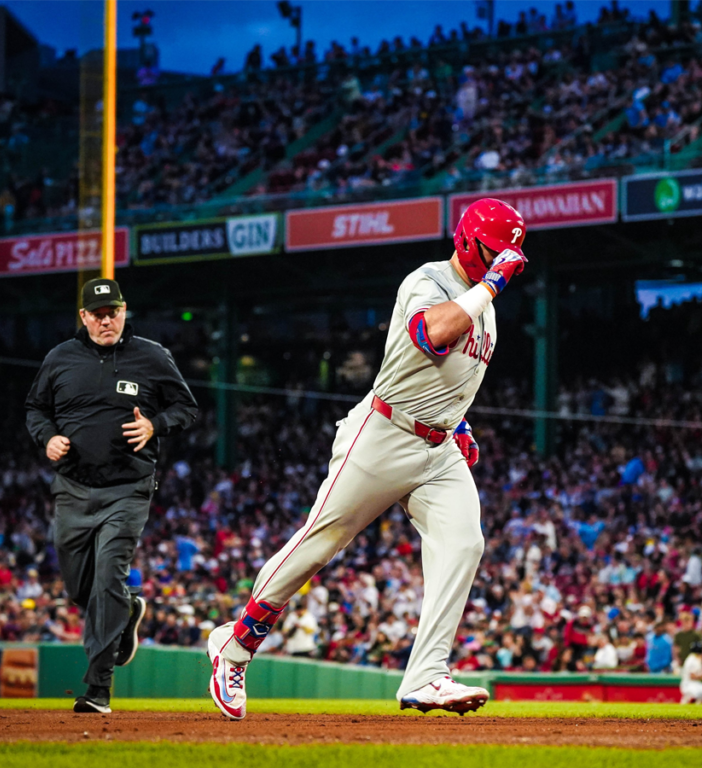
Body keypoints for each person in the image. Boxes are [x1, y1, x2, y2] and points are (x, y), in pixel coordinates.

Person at [206, 199, 529, 720]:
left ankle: (426, 675)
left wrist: (459, 423)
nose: (502, 262)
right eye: (494, 252)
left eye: (508, 256)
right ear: (467, 241)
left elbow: (446, 376)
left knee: (464, 543)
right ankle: (235, 645)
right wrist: (490, 285)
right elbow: (431, 336)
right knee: (321, 542)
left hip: (438, 448)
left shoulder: (484, 306)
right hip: (385, 433)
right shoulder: (428, 280)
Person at [25, 278, 198, 713]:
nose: (106, 321)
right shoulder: (60, 358)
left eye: (113, 312)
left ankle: (98, 688)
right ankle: (127, 609)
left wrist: (154, 425)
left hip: (128, 489)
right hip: (72, 487)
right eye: (98, 314)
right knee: (78, 588)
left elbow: (187, 408)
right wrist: (47, 437)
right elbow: (35, 409)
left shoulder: (152, 356)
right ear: (83, 317)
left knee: (107, 580)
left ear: (124, 311)